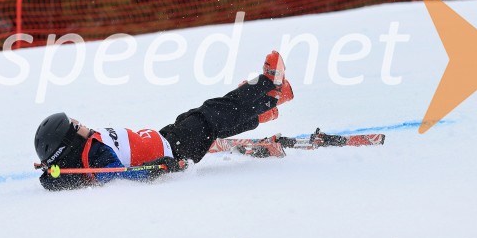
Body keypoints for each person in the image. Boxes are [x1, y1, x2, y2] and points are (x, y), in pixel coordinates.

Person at [34, 51, 294, 191]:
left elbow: (50, 181)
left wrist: (51, 171)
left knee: (206, 119)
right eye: (75, 126)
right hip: (174, 151)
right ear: (69, 143)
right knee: (211, 113)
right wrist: (160, 167)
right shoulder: (97, 157)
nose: (82, 123)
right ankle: (269, 90)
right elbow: (118, 176)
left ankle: (259, 112)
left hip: (166, 137)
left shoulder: (82, 159)